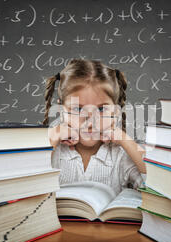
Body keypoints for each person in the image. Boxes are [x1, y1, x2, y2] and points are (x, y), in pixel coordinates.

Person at [43, 59, 146, 196]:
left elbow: (155, 182)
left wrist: (124, 139)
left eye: (102, 109)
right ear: (62, 111)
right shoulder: (53, 149)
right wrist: (55, 135)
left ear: (115, 111)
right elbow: (27, 181)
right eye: (78, 109)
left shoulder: (120, 154)